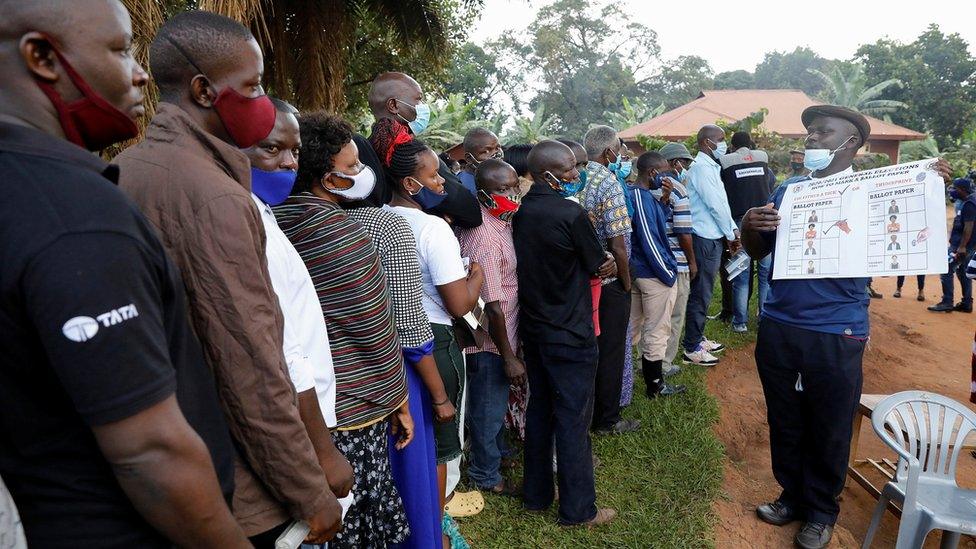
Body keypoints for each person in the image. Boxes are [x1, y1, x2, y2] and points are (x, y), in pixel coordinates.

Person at [0, 2, 248, 547]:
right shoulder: (76, 216)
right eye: (119, 49)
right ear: (41, 55)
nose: (139, 73)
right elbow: (149, 451)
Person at [115, 11, 340, 546]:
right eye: (254, 86)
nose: (263, 102)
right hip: (241, 487)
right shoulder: (214, 197)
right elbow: (250, 360)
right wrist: (309, 489)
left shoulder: (128, 170)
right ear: (204, 90)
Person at [741, 104, 954, 549]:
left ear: (851, 142)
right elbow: (759, 252)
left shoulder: (874, 193)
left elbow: (913, 215)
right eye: (809, 133)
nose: (811, 140)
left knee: (831, 422)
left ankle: (821, 511)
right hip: (779, 324)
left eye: (822, 132)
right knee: (785, 418)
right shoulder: (789, 191)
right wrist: (749, 227)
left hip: (838, 329)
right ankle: (791, 496)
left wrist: (929, 186)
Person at [275, 111, 417, 548]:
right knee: (355, 519)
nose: (362, 173)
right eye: (352, 166)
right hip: (351, 412)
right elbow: (375, 328)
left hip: (297, 407)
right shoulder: (343, 233)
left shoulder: (276, 221)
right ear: (328, 179)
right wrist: (399, 400)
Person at [325, 123, 450, 549]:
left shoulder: (287, 220)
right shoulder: (384, 226)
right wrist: (438, 395)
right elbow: (410, 328)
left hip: (325, 386)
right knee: (404, 477)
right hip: (393, 377)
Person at [239, 98, 355, 517]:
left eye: (296, 152)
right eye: (272, 149)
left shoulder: (266, 212)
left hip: (312, 415)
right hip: (299, 426)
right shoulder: (244, 218)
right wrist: (324, 454)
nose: (288, 162)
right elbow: (284, 347)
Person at [380, 132, 484, 548]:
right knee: (442, 448)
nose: (443, 181)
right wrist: (475, 273)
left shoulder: (375, 219)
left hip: (392, 344)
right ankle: (436, 531)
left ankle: (411, 523)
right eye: (435, 175)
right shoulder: (432, 229)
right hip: (436, 340)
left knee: (407, 444)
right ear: (411, 184)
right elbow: (459, 304)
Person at [513, 140, 616, 527]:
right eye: (571, 168)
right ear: (549, 174)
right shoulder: (572, 215)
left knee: (539, 411)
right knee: (573, 420)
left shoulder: (520, 213)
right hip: (571, 332)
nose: (577, 174)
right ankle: (578, 511)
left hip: (535, 330)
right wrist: (604, 263)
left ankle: (536, 495)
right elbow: (597, 264)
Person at [456, 159, 526, 496]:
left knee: (493, 405)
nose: (512, 194)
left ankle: (498, 456)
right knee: (488, 407)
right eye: (502, 189)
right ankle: (486, 475)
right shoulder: (484, 235)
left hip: (501, 334)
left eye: (513, 186)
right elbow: (493, 306)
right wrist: (508, 356)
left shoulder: (501, 221)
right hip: (489, 341)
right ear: (484, 193)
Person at [363, 72, 481, 228]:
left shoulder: (364, 153)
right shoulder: (412, 155)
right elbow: (469, 211)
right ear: (393, 105)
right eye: (418, 99)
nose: (423, 105)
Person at [580, 125, 637, 435]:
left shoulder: (574, 177)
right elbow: (618, 245)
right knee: (612, 350)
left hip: (579, 282)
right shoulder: (608, 182)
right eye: (619, 149)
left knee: (590, 350)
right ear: (609, 153)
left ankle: (588, 415)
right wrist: (627, 284)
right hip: (608, 281)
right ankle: (607, 419)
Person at [629, 152, 687, 398]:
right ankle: (655, 385)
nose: (669, 178)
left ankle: (626, 377)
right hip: (651, 273)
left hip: (643, 272)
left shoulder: (647, 198)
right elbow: (648, 238)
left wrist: (664, 199)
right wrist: (668, 274)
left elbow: (657, 221)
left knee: (634, 327)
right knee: (657, 329)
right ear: (652, 173)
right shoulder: (639, 197)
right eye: (665, 173)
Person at [683, 124, 739, 366]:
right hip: (704, 237)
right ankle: (691, 348)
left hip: (711, 235)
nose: (724, 144)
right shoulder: (701, 170)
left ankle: (697, 336)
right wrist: (731, 233)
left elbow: (721, 203)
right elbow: (715, 205)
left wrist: (731, 229)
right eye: (720, 140)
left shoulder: (710, 167)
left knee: (704, 292)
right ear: (707, 143)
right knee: (701, 293)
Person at [720, 131, 775, 333]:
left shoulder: (725, 161)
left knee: (741, 275)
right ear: (750, 144)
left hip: (741, 221)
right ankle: (765, 318)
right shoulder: (762, 157)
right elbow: (770, 181)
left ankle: (740, 323)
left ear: (733, 146)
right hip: (764, 219)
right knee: (765, 273)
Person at [658, 143, 698, 376]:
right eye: (686, 163)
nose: (687, 169)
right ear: (676, 163)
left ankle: (649, 360)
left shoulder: (645, 186)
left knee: (654, 316)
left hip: (655, 261)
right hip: (676, 262)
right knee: (674, 315)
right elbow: (683, 232)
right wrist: (692, 262)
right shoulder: (677, 189)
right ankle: (663, 364)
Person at [929, 177, 976, 313]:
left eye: (955, 188)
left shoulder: (969, 204)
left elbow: (969, 227)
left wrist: (961, 247)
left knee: (946, 269)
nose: (953, 190)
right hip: (968, 245)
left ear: (962, 190)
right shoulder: (970, 200)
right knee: (963, 272)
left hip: (961, 245)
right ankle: (967, 303)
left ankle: (947, 301)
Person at [458, 127, 503, 195]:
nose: (497, 154)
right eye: (486, 151)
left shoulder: (500, 177)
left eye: (497, 148)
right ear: (469, 159)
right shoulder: (463, 189)